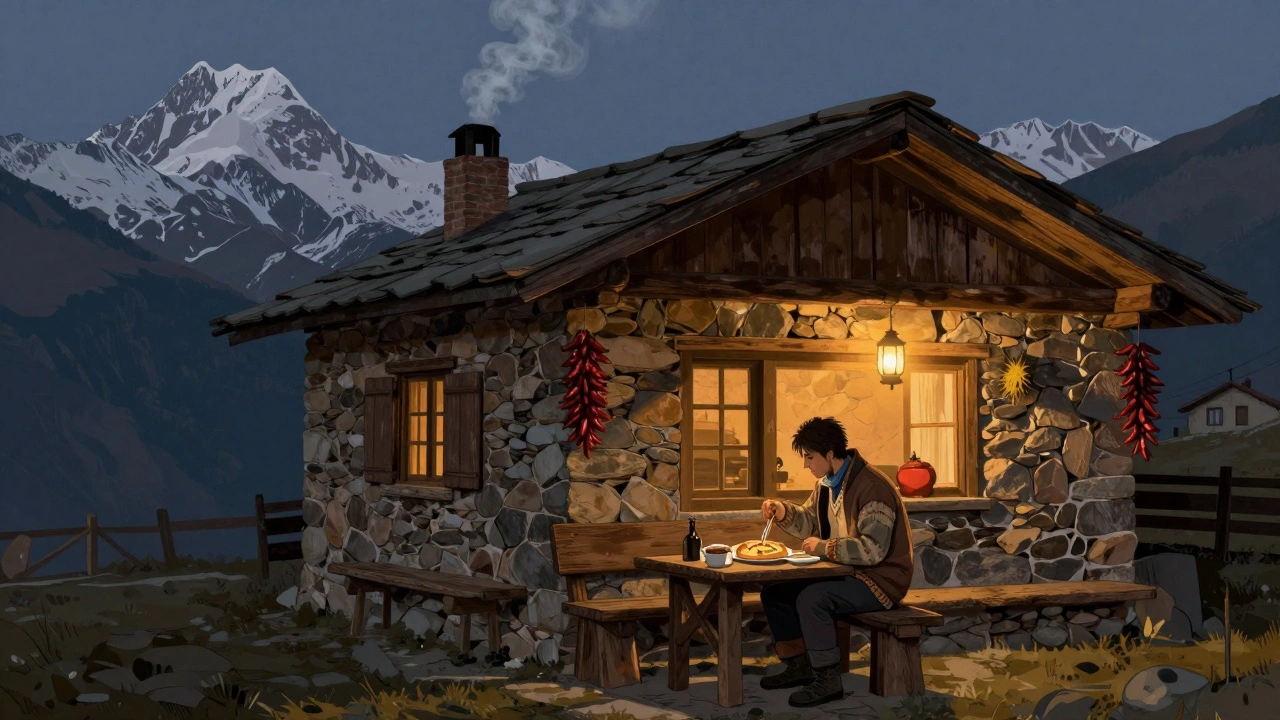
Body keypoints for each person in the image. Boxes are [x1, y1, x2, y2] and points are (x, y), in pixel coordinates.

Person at [757, 416, 914, 707]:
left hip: (880, 580)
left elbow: (872, 551)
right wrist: (781, 511)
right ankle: (799, 666)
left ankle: (827, 680)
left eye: (809, 457)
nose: (806, 465)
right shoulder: (827, 484)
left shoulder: (872, 488)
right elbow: (808, 522)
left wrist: (824, 547)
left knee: (813, 598)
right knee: (776, 593)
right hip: (847, 573)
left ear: (830, 454)